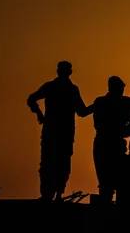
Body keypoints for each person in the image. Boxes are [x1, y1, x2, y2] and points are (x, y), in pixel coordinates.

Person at [27, 60, 89, 201]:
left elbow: (31, 99)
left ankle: (51, 195)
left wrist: (39, 113)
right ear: (70, 72)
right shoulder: (70, 89)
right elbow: (82, 111)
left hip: (54, 132)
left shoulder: (52, 87)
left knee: (51, 163)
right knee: (60, 163)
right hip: (61, 133)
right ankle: (55, 194)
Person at [88, 76, 130, 205]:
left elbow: (84, 112)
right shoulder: (126, 102)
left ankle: (105, 208)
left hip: (103, 142)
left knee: (104, 180)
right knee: (117, 179)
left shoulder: (100, 102)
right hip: (115, 143)